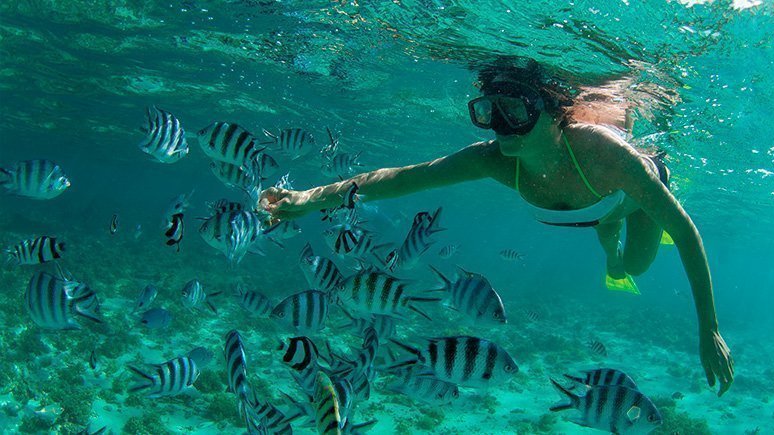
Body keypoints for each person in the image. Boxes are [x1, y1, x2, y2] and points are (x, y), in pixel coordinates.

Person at [258, 59, 734, 396]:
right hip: (591, 207)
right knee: (605, 229)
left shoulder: (604, 153)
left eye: (517, 111)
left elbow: (687, 231)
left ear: (552, 113)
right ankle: (605, 230)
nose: (502, 127)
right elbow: (402, 179)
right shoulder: (493, 160)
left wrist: (708, 329)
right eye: (489, 112)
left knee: (636, 264)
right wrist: (308, 198)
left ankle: (623, 220)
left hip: (631, 198)